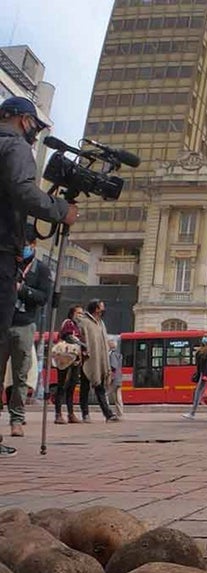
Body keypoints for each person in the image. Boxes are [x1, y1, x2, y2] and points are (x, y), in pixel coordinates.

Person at [0, 98, 77, 454]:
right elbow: (22, 189)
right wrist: (59, 210)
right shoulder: (13, 144)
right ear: (21, 119)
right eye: (34, 124)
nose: (34, 133)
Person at [0, 223, 51, 439]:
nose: (21, 248)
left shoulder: (41, 270)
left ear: (33, 245)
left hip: (24, 325)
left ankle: (17, 419)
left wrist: (23, 290)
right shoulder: (6, 264)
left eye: (25, 244)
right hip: (3, 323)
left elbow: (43, 297)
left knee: (21, 374)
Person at [78, 300, 118, 423]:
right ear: (96, 309)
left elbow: (102, 341)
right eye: (101, 306)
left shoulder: (100, 323)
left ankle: (108, 414)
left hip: (99, 361)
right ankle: (86, 414)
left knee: (99, 387)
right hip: (87, 360)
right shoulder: (84, 322)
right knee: (85, 388)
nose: (103, 309)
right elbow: (82, 339)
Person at [52, 305, 84, 425]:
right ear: (72, 313)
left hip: (75, 359)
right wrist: (82, 344)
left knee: (72, 385)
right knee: (62, 385)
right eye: (78, 313)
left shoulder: (78, 326)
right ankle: (58, 414)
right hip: (65, 358)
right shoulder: (68, 323)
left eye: (82, 313)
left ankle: (71, 414)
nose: (80, 315)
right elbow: (68, 337)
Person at [183, 335, 207, 420]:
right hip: (202, 374)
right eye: (204, 337)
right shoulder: (202, 350)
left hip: (205, 375)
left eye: (206, 337)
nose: (204, 338)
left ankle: (192, 413)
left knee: (198, 393)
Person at [106, 339, 124, 419]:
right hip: (119, 378)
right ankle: (120, 413)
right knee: (118, 397)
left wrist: (110, 378)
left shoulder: (112, 355)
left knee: (105, 394)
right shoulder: (118, 354)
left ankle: (107, 412)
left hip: (113, 379)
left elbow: (113, 366)